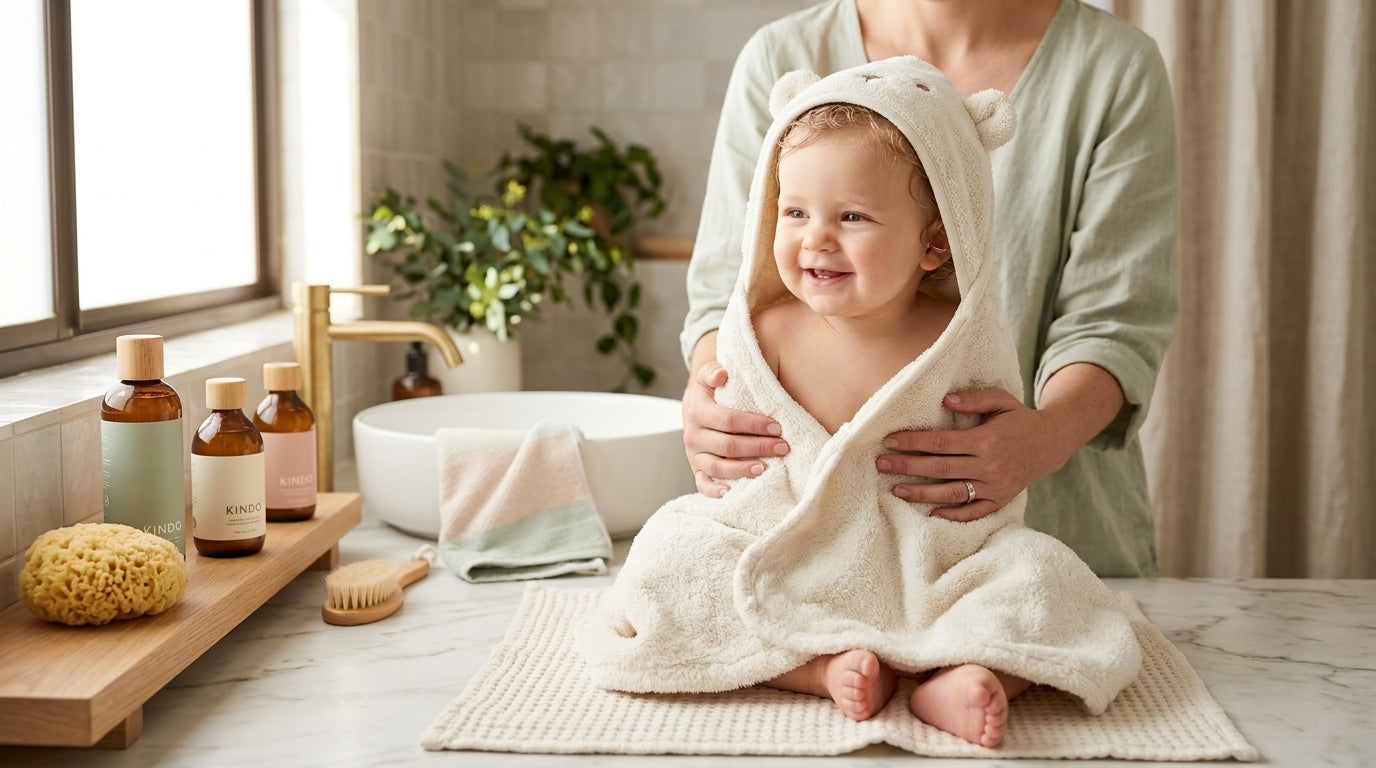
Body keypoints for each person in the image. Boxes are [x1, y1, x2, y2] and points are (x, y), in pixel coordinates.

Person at [578, 57, 1141, 751]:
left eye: (851, 216)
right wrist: (714, 430)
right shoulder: (764, 332)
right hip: (786, 548)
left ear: (935, 242)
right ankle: (818, 667)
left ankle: (964, 673)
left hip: (926, 564)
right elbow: (740, 471)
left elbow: (987, 472)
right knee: (668, 555)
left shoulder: (957, 339)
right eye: (794, 211)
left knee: (1045, 582)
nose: (816, 237)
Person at [680, 0, 1179, 577]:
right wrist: (712, 392)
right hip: (802, 567)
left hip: (1052, 546)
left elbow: (1111, 323)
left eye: (852, 219)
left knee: (1017, 621)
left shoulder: (1112, 68)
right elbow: (728, 291)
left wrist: (1040, 439)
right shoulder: (781, 57)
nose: (819, 238)